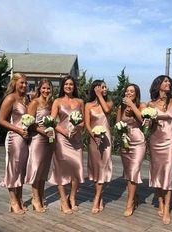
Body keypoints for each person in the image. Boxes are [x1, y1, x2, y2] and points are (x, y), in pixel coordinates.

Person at [147, 75, 172, 224]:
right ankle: (160, 202)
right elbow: (148, 126)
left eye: (169, 81)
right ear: (158, 85)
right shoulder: (150, 104)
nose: (168, 83)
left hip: (170, 141)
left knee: (168, 172)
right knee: (156, 172)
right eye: (165, 81)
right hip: (155, 140)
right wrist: (148, 121)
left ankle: (167, 208)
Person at [48, 75, 84, 214]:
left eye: (71, 84)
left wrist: (78, 128)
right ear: (63, 86)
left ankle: (73, 197)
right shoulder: (57, 101)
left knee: (77, 168)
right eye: (66, 84)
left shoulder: (80, 101)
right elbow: (51, 121)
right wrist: (63, 131)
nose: (69, 86)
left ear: (74, 87)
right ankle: (63, 200)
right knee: (61, 170)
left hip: (76, 139)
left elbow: (83, 121)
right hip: (62, 139)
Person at [0, 73, 29, 214]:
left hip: (26, 139)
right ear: (15, 83)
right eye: (21, 82)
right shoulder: (10, 98)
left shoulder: (26, 99)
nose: (24, 85)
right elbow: (1, 120)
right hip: (14, 138)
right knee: (13, 169)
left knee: (22, 169)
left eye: (25, 83)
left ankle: (20, 199)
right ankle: (13, 202)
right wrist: (18, 130)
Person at [116, 83, 146, 217]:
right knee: (129, 173)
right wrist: (121, 131)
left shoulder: (142, 105)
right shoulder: (120, 107)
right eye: (127, 91)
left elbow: (143, 120)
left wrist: (132, 106)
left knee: (134, 171)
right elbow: (117, 125)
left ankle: (129, 204)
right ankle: (135, 197)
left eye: (132, 91)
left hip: (138, 141)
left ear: (136, 94)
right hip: (125, 142)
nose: (129, 93)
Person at [25, 79, 54, 212]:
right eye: (44, 88)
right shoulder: (34, 102)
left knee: (43, 170)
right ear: (39, 88)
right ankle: (35, 198)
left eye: (48, 88)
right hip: (37, 139)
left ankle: (41, 197)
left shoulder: (50, 103)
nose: (46, 91)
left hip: (49, 140)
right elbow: (30, 123)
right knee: (36, 169)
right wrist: (43, 132)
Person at [85, 80, 113, 214]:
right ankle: (100, 196)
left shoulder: (109, 103)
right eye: (102, 87)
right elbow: (87, 124)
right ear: (95, 89)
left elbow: (107, 110)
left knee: (103, 167)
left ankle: (96, 198)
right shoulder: (88, 105)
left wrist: (100, 95)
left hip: (106, 140)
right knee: (97, 169)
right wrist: (94, 136)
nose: (105, 88)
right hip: (93, 140)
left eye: (105, 86)